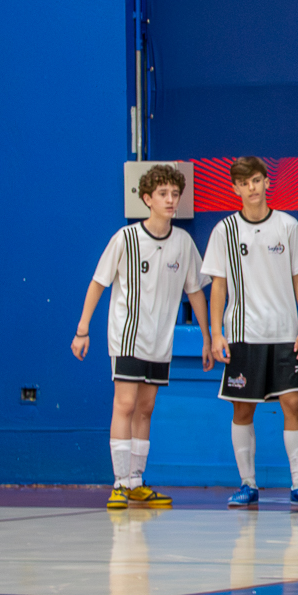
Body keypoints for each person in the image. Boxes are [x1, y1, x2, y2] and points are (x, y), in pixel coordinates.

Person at [72, 164, 211, 508]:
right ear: (147, 198)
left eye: (174, 194)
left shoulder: (183, 243)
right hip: (128, 336)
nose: (170, 200)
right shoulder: (126, 238)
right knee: (125, 404)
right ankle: (119, 482)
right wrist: (82, 329)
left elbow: (195, 291)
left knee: (146, 408)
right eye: (163, 194)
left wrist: (207, 337)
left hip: (160, 341)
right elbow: (99, 282)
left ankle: (136, 480)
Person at [203, 157, 298, 507]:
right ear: (235, 188)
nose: (251, 187)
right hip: (243, 334)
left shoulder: (287, 225)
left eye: (256, 180)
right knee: (242, 410)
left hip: (285, 334)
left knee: (293, 404)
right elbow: (218, 286)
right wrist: (217, 333)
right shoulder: (224, 230)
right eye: (244, 182)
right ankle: (247, 484)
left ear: (267, 182)